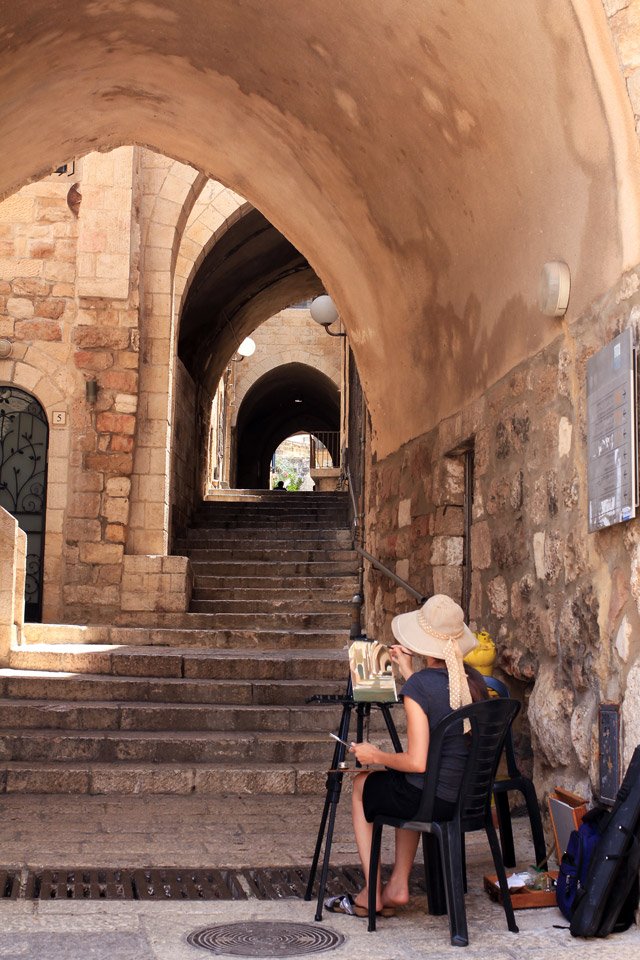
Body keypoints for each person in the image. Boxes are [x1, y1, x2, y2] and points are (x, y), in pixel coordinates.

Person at [325, 594, 488, 918]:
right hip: (466, 799)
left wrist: (376, 755)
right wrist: (409, 672)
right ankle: (398, 883)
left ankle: (372, 891)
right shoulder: (474, 680)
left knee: (362, 785)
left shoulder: (420, 688)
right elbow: (439, 714)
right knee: (406, 783)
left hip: (433, 799)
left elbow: (417, 762)